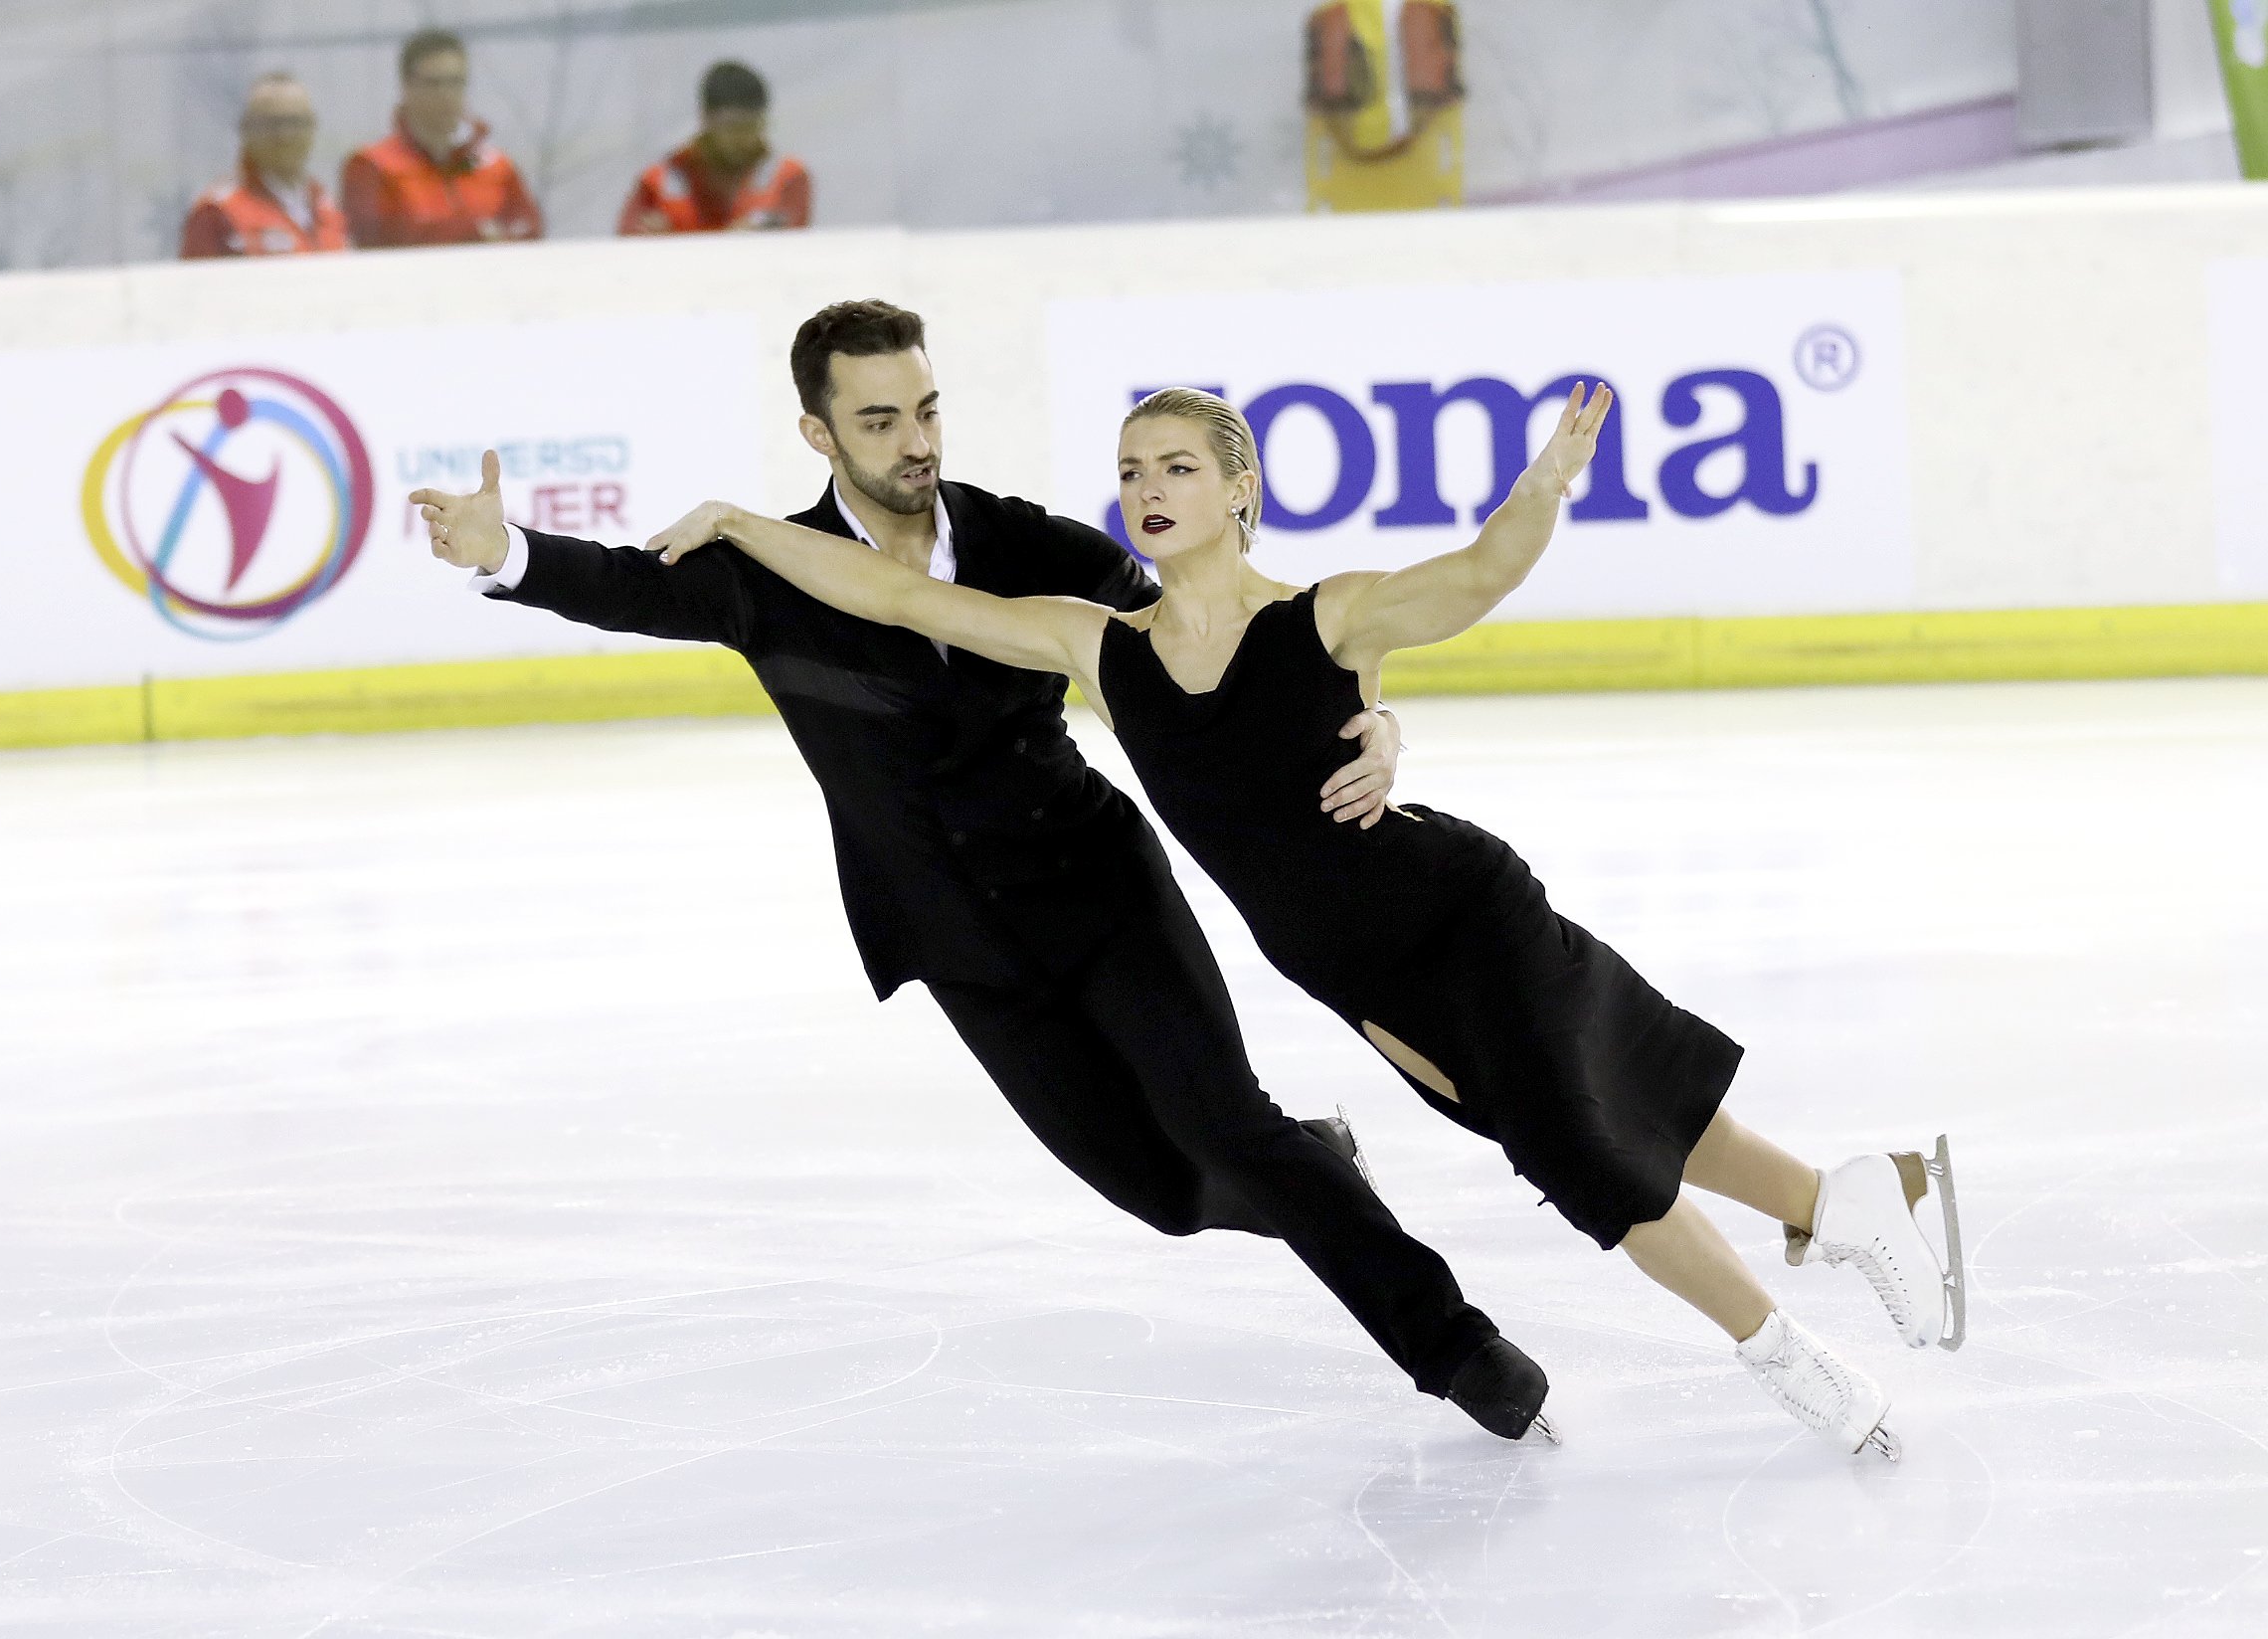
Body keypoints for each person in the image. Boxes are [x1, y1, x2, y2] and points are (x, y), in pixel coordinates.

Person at [640, 382, 1971, 1460]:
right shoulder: (1098, 645)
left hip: (1459, 911)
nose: (1147, 491)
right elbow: (898, 594)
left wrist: (1545, 482)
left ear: (1236, 492)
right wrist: (747, 525)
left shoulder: (1327, 613)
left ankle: (1789, 1361)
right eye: (1131, 470)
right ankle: (1853, 1201)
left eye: (1175, 467)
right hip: (1359, 976)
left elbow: (1478, 574)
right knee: (1650, 1111)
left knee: (1584, 1151)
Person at [412, 300, 1557, 1442]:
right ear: (820, 435)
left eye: (926, 409)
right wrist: (501, 552)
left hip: (1098, 883)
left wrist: (1376, 718)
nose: (915, 440)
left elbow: (1245, 635)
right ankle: (1313, 1168)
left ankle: (1458, 1349)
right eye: (878, 419)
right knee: (1164, 1193)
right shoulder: (761, 572)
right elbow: (621, 581)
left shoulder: (1034, 548)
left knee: (1227, 1128)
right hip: (954, 934)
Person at [341, 28, 542, 250]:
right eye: (434, 84)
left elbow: (530, 231)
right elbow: (378, 240)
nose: (446, 94)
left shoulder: (497, 166)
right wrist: (476, 233)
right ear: (406, 87)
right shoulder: (371, 166)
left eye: (456, 82)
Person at [618, 61, 811, 235]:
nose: (745, 138)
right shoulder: (660, 183)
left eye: (754, 126)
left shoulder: (787, 178)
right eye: (733, 127)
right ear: (706, 118)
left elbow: (795, 247)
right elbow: (626, 247)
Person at [180, 73, 347, 259]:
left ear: (312, 127)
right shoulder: (219, 211)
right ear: (246, 129)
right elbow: (196, 285)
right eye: (273, 124)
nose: (286, 136)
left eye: (296, 122)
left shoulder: (326, 206)